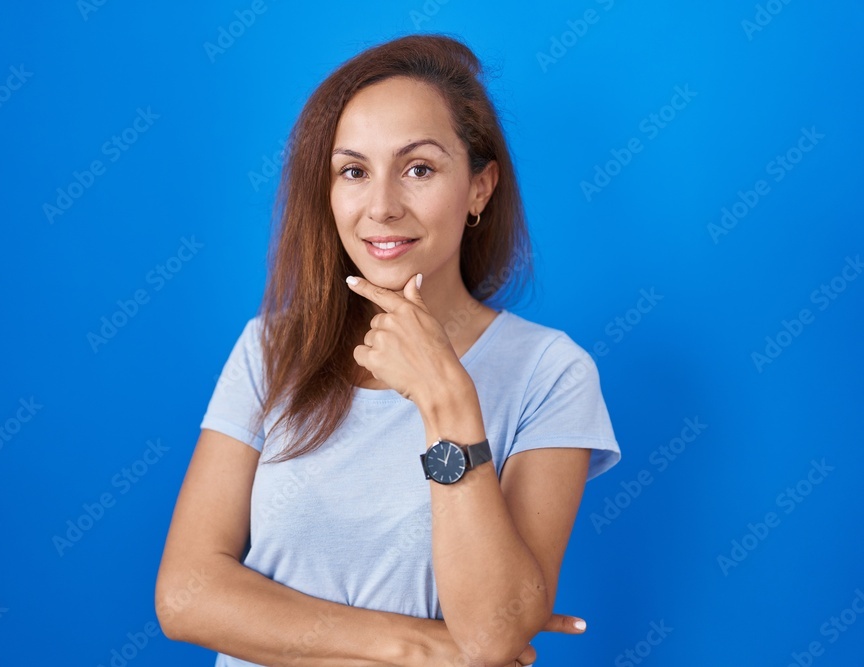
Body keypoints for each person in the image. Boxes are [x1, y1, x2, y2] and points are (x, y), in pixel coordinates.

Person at [155, 34, 621, 666]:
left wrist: (445, 396)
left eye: (419, 169)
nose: (380, 206)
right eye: (354, 171)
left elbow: (492, 634)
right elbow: (186, 597)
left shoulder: (552, 373)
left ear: (480, 188)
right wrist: (419, 649)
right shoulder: (270, 348)